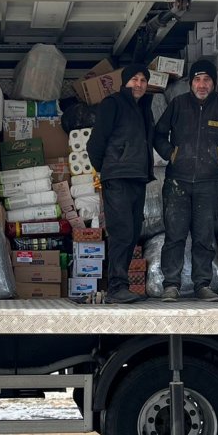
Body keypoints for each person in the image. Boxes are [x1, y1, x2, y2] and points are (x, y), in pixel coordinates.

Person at [153, 59, 218, 302]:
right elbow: (159, 134)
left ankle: (202, 285)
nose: (202, 84)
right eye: (197, 79)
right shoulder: (178, 104)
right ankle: (171, 285)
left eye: (207, 79)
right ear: (191, 82)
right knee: (175, 235)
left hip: (210, 183)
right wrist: (171, 154)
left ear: (214, 83)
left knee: (204, 236)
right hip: (177, 182)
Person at [87, 64, 155, 304]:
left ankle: (121, 284)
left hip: (138, 177)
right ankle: (116, 287)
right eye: (134, 79)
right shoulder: (113, 104)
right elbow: (94, 145)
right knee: (121, 231)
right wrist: (108, 169)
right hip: (117, 177)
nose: (139, 84)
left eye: (143, 80)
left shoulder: (145, 107)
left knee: (134, 231)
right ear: (124, 83)